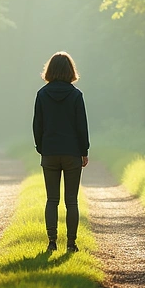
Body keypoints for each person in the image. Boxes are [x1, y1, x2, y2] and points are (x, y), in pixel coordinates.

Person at [32, 51, 89, 253]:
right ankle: (71, 244)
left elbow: (37, 125)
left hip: (50, 152)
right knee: (71, 200)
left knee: (52, 199)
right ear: (70, 71)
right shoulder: (76, 95)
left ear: (49, 70)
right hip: (72, 152)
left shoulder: (41, 94)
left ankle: (51, 242)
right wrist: (84, 151)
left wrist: (41, 148)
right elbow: (81, 126)